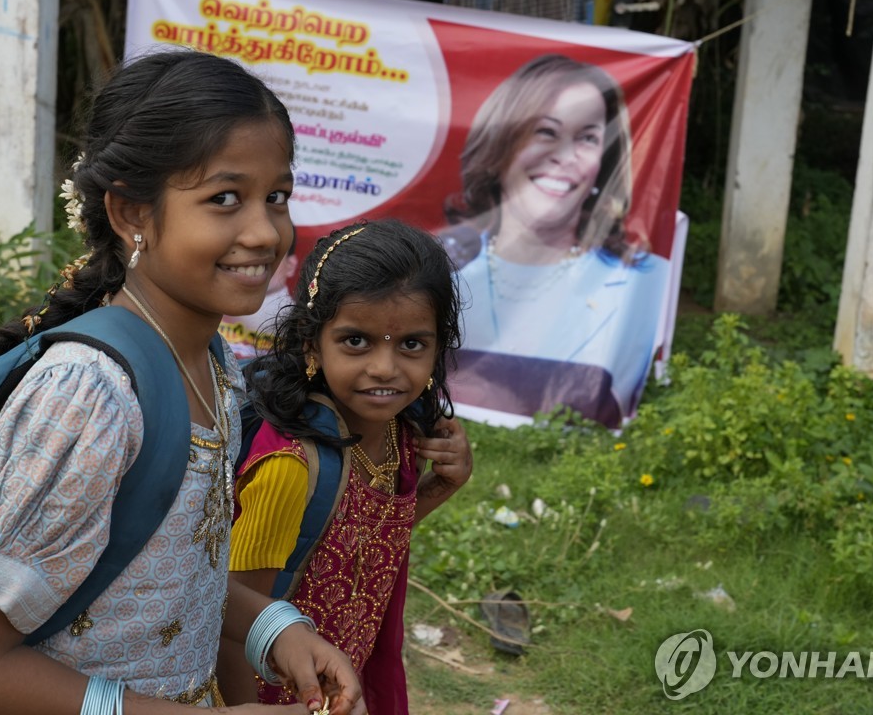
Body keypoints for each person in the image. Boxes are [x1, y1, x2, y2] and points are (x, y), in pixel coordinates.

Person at [0, 50, 364, 714]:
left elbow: (170, 574)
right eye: (224, 199)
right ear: (130, 213)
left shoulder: (211, 363)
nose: (265, 231)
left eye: (277, 197)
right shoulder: (89, 397)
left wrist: (279, 630)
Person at [216, 220, 473, 713]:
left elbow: (356, 543)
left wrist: (440, 487)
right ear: (312, 344)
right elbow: (233, 621)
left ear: (439, 345)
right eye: (357, 341)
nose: (385, 367)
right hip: (271, 696)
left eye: (412, 344)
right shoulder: (289, 468)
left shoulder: (401, 432)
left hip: (340, 681)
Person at [442, 53, 671, 424]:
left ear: (603, 163)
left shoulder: (645, 282)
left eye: (587, 138)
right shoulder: (436, 274)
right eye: (546, 132)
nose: (565, 156)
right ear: (500, 146)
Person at [221, 239, 299, 361]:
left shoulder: (301, 325)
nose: (252, 262)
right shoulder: (209, 306)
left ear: (291, 266)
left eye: (272, 253)